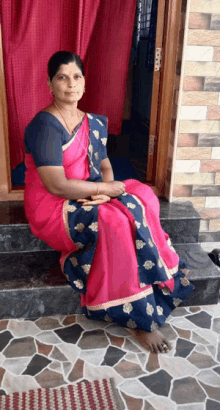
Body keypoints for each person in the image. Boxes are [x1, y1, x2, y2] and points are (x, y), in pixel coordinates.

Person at [24, 51, 193, 354]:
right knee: (114, 220)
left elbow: (104, 167)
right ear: (50, 84)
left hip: (88, 194)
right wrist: (105, 191)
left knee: (143, 196)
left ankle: (163, 270)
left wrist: (104, 191)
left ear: (84, 83)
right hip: (54, 207)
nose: (70, 84)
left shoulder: (92, 122)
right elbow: (56, 184)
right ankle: (138, 317)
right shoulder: (44, 125)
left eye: (76, 77)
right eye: (62, 77)